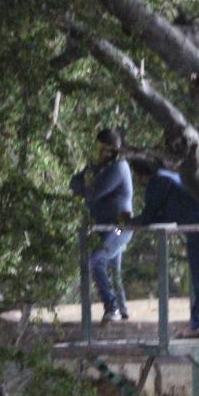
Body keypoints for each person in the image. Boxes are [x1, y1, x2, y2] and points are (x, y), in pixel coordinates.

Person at [125, 158, 199, 338]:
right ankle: (198, 324)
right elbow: (163, 215)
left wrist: (128, 222)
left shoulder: (157, 181)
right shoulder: (172, 176)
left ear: (140, 174)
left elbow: (149, 216)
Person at [70, 128, 133, 323]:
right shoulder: (98, 168)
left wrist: (86, 187)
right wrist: (86, 182)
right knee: (113, 268)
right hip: (104, 229)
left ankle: (112, 308)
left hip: (119, 227)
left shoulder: (119, 168)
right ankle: (121, 309)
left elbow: (93, 193)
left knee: (96, 260)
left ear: (112, 149)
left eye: (102, 148)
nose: (98, 153)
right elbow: (73, 183)